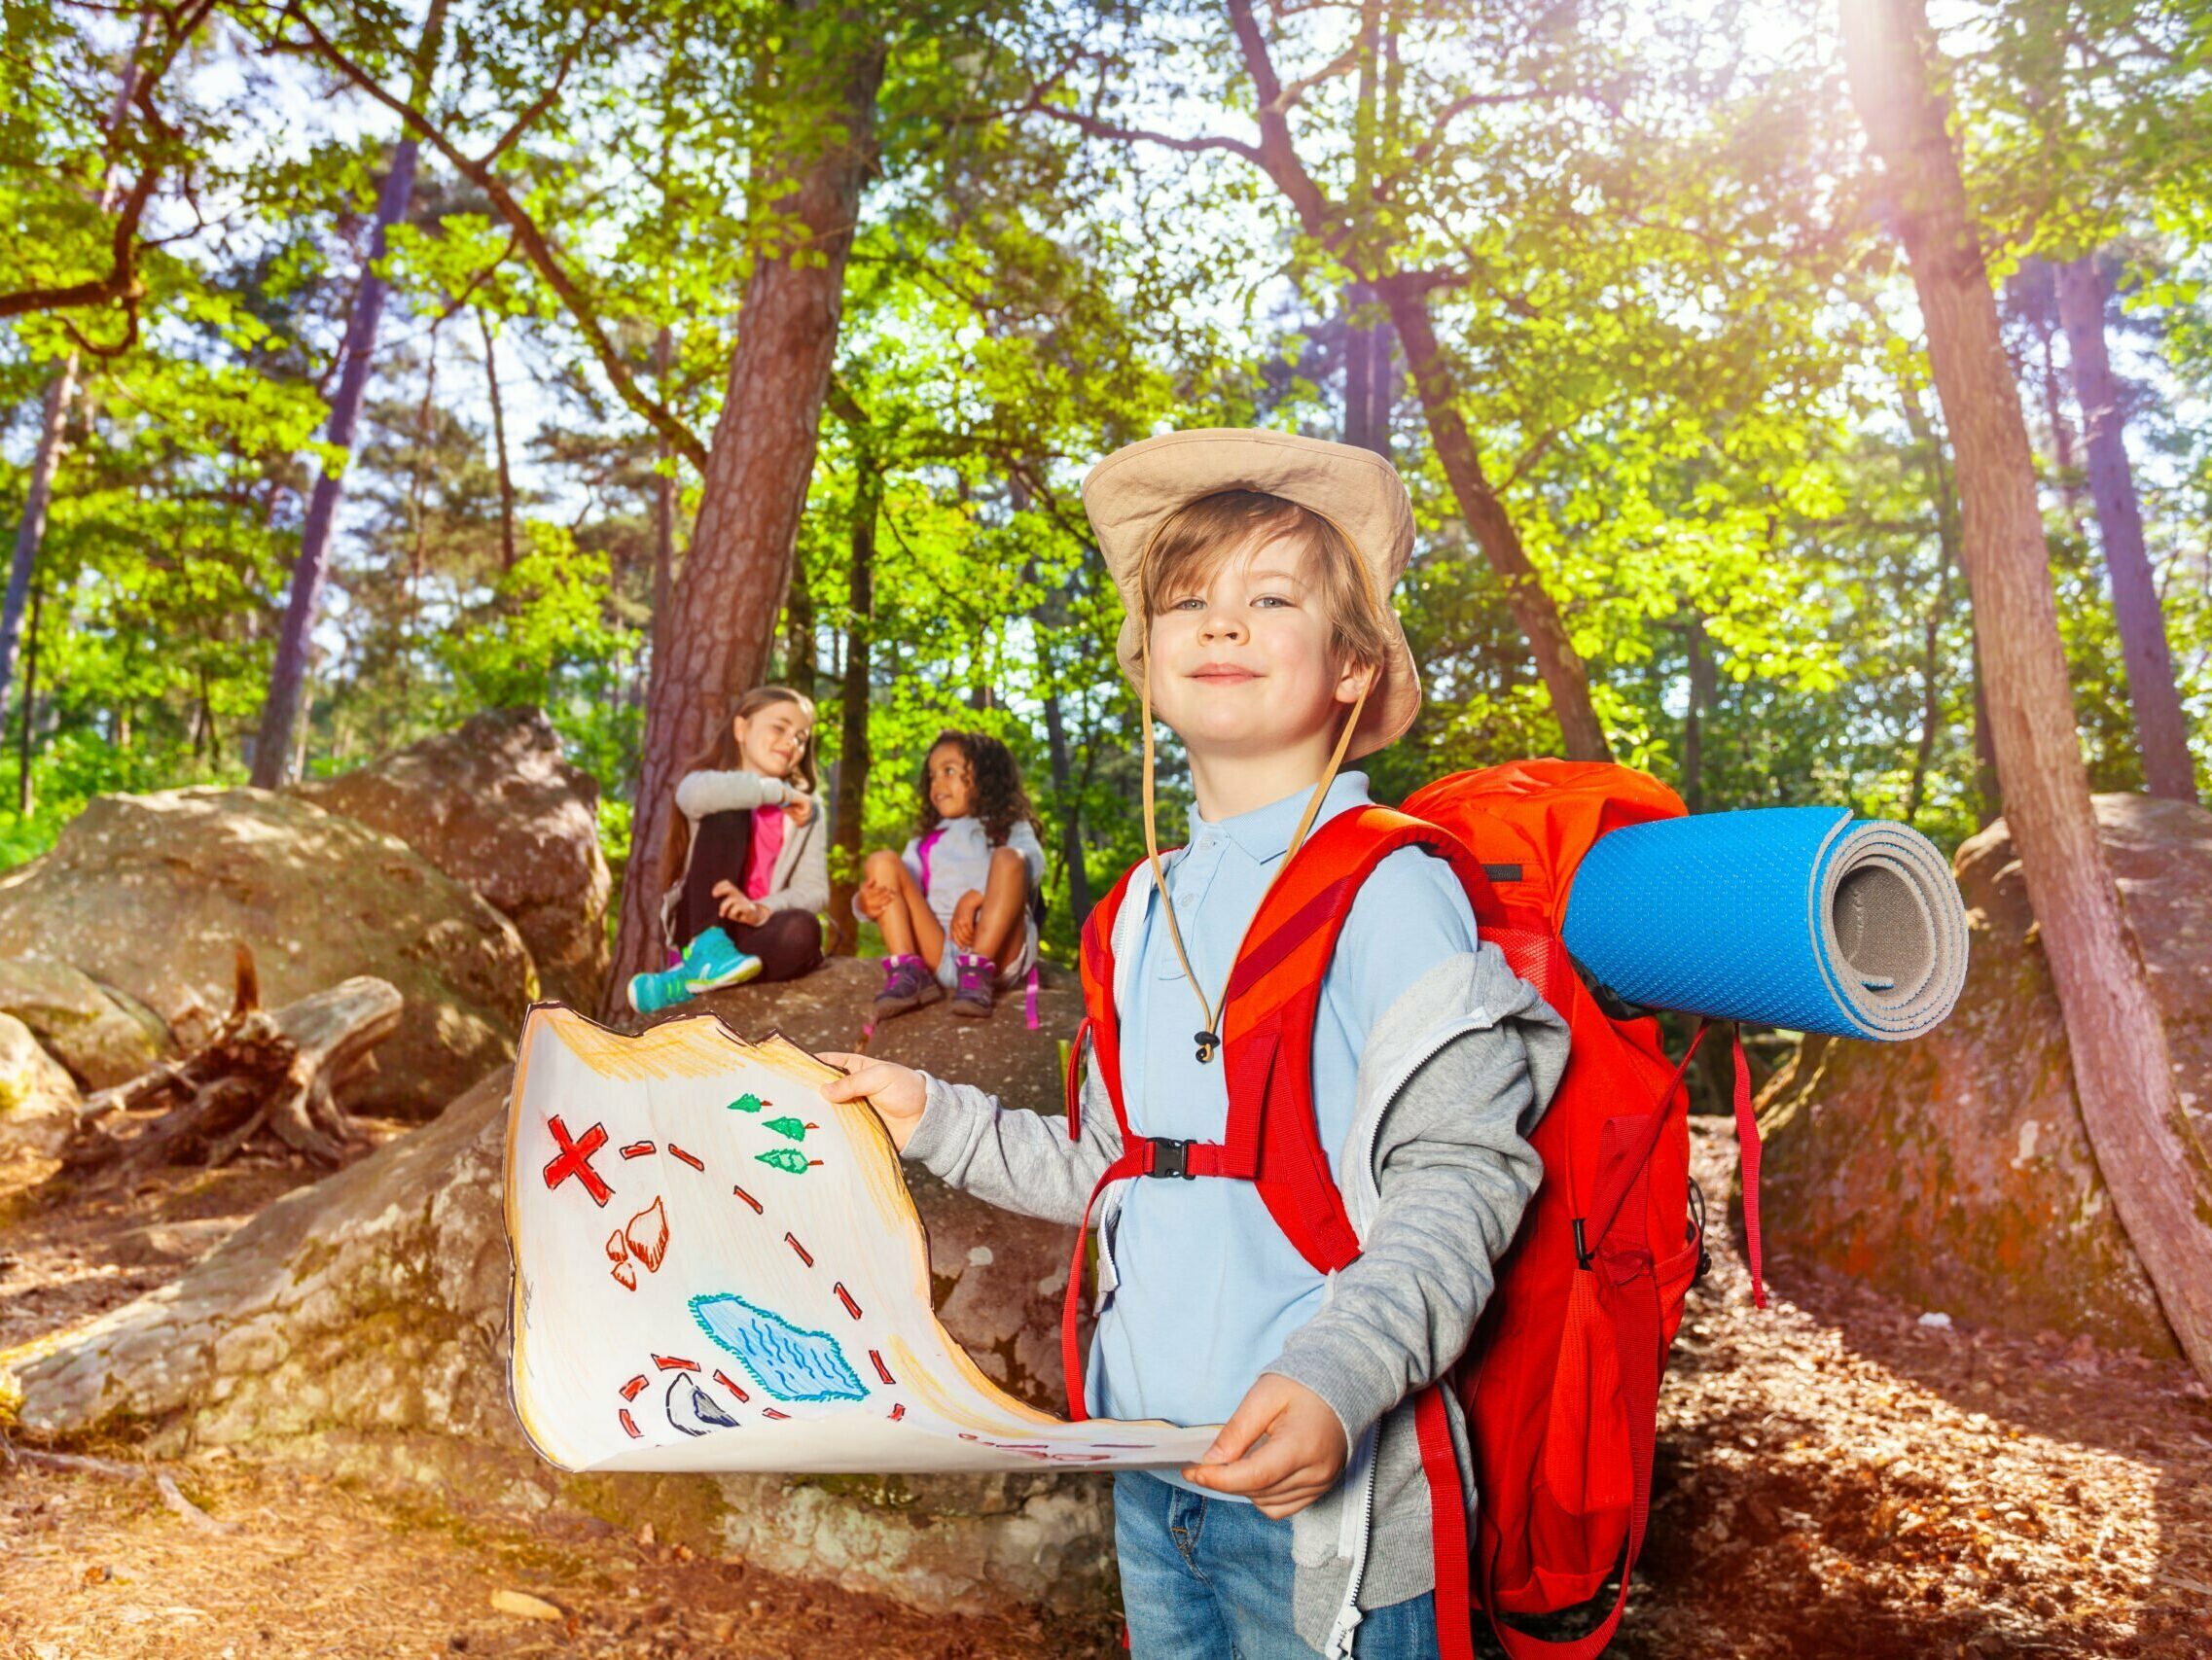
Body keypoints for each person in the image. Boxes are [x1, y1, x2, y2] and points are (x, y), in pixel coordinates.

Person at [822, 431, 1568, 1659]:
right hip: (1148, 1465)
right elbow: (1120, 1165)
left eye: (1271, 600)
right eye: (1188, 602)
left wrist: (1340, 1378)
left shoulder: (1389, 891)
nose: (1222, 624)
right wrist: (928, 1112)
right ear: (1150, 663)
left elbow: (1464, 1176)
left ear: (1351, 668)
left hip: (1325, 1501)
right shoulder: (1134, 914)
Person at [627, 685, 829, 1014]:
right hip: (703, 922)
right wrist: (777, 792)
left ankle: (686, 984)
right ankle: (705, 952)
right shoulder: (711, 784)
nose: (791, 742)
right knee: (729, 808)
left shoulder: (807, 810)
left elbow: (815, 890)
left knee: (805, 930)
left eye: (801, 738)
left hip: (753, 929)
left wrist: (760, 909)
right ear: (741, 728)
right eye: (779, 728)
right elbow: (690, 796)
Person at [854, 729, 1046, 1025]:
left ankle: (976, 972)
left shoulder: (1009, 828)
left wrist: (975, 896)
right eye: (932, 775)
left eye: (949, 771)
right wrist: (863, 905)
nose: (937, 783)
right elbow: (901, 889)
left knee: (1011, 858)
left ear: (986, 777)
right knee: (882, 861)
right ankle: (909, 971)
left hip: (995, 957)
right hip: (938, 953)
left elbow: (1033, 863)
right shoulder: (926, 841)